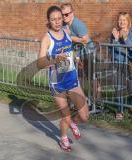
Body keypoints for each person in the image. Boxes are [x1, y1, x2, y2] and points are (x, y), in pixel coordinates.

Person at [37, 5, 89, 152]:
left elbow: (71, 47)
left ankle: (73, 123)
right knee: (65, 116)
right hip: (57, 82)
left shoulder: (66, 32)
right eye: (54, 19)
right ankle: (64, 139)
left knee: (84, 116)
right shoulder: (47, 39)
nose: (57, 22)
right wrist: (54, 60)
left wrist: (75, 57)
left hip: (71, 78)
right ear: (49, 21)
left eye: (60, 18)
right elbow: (40, 63)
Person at [110, 12, 132, 120]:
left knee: (131, 87)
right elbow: (112, 48)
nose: (122, 22)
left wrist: (124, 38)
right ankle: (120, 110)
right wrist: (116, 40)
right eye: (120, 20)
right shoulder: (114, 32)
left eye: (124, 20)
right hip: (117, 63)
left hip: (130, 64)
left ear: (128, 21)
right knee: (118, 87)